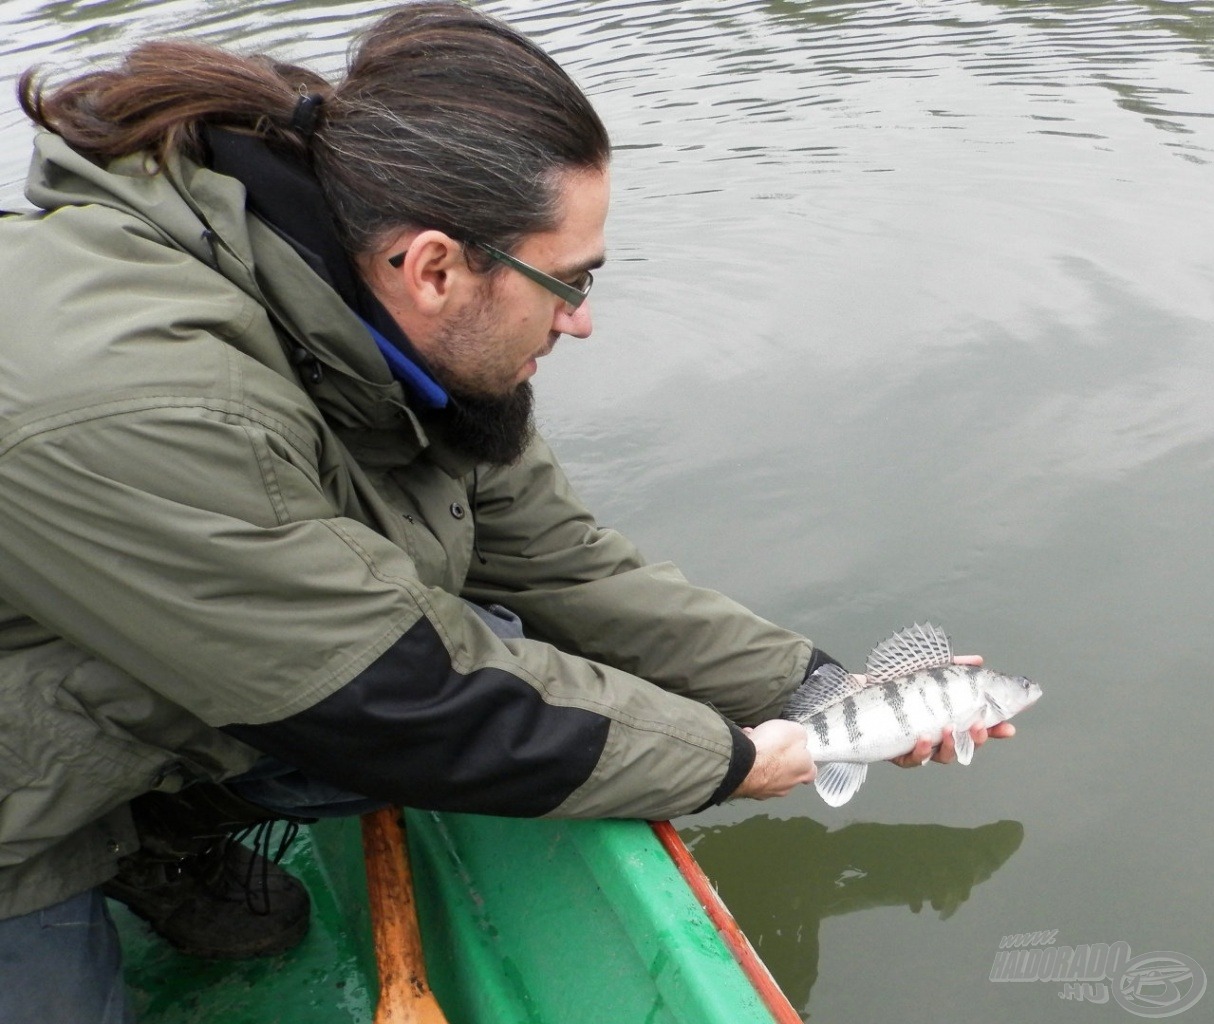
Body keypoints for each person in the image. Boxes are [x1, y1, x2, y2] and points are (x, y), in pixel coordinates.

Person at [0, 2, 1013, 1020]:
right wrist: (733, 763)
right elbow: (404, 701)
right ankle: (86, 843)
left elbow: (564, 563)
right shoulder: (144, 404)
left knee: (498, 637)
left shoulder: (379, 317)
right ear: (437, 266)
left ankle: (149, 837)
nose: (581, 321)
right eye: (565, 282)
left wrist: (814, 688)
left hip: (110, 665)